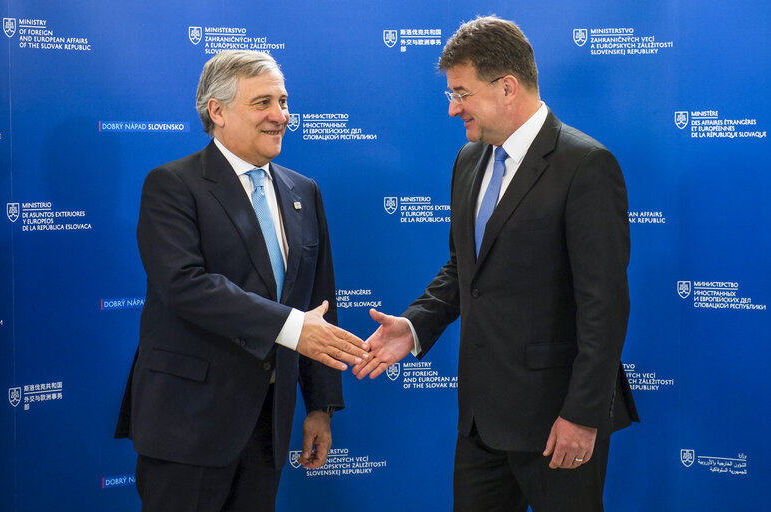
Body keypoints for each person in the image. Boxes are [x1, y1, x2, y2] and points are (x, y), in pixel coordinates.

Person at [353, 16, 638, 511]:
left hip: (558, 423)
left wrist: (582, 416)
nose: (451, 108)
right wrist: (415, 327)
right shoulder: (469, 160)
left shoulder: (586, 165)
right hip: (480, 423)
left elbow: (604, 306)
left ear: (507, 87)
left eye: (461, 92)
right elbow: (464, 268)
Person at [115, 50, 368, 512]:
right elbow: (185, 284)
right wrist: (292, 327)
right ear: (217, 111)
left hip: (268, 426)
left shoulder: (303, 191)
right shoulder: (172, 185)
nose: (281, 116)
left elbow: (318, 303)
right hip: (187, 424)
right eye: (263, 103)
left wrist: (320, 405)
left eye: (284, 101)